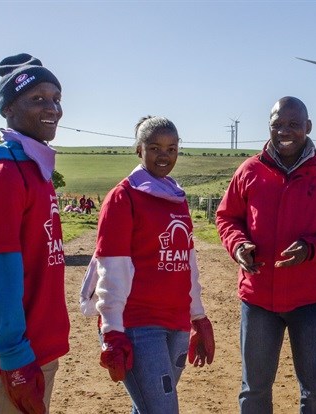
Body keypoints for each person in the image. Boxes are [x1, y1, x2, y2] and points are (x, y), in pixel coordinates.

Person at [215, 96, 316, 413]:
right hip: (258, 301)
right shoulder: (249, 170)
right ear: (269, 126)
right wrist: (238, 245)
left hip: (311, 301)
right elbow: (227, 217)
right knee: (254, 389)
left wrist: (312, 248)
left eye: (294, 124)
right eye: (278, 124)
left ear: (308, 127)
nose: (285, 131)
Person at [0, 53, 70, 413]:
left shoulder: (35, 169)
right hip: (12, 355)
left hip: (34, 345)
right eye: (37, 99)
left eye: (55, 98)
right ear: (8, 109)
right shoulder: (2, 174)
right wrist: (14, 355)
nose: (52, 107)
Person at [79, 116, 215, 413]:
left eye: (172, 148)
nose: (164, 155)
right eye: (154, 148)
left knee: (148, 408)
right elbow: (112, 268)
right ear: (138, 149)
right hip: (137, 324)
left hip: (176, 322)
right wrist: (113, 331)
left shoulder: (176, 198)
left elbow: (187, 263)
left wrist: (198, 317)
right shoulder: (123, 197)